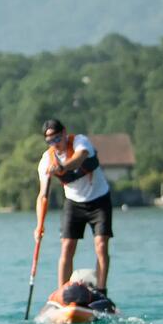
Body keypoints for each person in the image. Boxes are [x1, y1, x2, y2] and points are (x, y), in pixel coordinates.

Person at [34, 118, 113, 292]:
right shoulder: (46, 160)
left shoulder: (80, 142)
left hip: (99, 200)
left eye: (57, 138)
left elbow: (78, 159)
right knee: (67, 247)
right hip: (74, 203)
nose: (55, 144)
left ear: (64, 133)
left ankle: (101, 290)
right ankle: (62, 293)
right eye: (50, 141)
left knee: (101, 245)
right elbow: (42, 197)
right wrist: (39, 225)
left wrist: (61, 167)